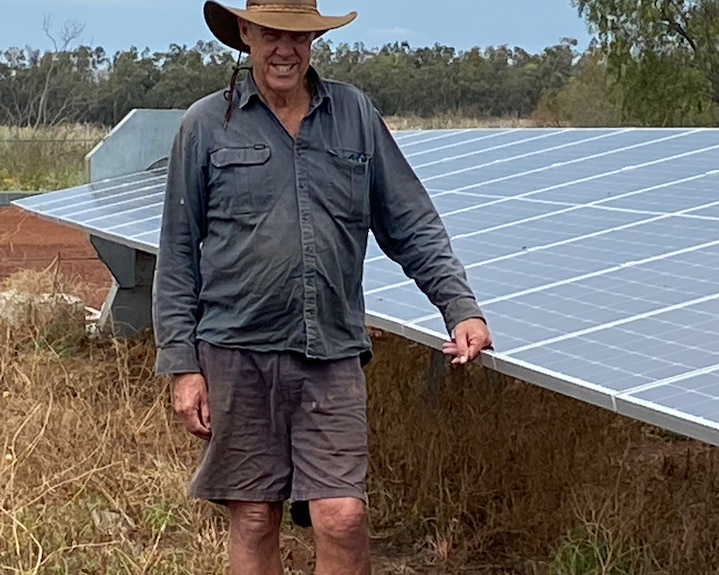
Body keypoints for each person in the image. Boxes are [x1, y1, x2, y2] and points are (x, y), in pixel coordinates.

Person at [152, 0, 493, 573]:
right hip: (236, 354)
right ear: (246, 34)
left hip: (331, 353)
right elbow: (178, 251)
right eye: (271, 34)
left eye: (299, 35)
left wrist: (459, 307)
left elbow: (409, 222)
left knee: (342, 516)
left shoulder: (354, 115)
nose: (285, 49)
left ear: (314, 40)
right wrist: (183, 365)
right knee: (255, 517)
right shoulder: (206, 125)